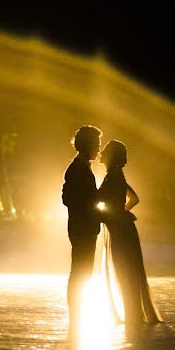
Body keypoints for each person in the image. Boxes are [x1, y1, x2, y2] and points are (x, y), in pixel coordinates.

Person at [97, 139, 163, 330]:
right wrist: (121, 211)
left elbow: (100, 199)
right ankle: (132, 313)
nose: (101, 154)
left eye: (104, 151)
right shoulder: (118, 175)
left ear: (110, 156)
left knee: (124, 269)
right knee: (127, 269)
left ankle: (132, 315)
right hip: (122, 226)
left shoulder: (113, 177)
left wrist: (114, 214)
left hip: (119, 228)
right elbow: (134, 199)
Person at [62, 125, 102, 336]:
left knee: (82, 270)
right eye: (96, 144)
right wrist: (93, 208)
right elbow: (67, 198)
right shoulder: (76, 169)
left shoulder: (81, 167)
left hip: (84, 227)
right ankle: (76, 314)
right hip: (81, 228)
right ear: (88, 145)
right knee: (80, 270)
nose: (99, 148)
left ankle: (77, 313)